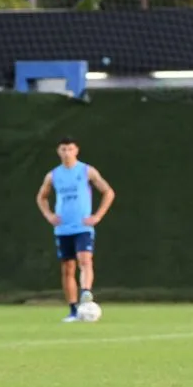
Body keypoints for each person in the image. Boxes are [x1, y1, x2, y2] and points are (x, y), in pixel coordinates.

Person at [36, 137, 115, 322]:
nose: (67, 153)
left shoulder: (87, 171)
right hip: (63, 229)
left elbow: (108, 192)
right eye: (63, 149)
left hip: (83, 227)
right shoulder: (53, 175)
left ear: (76, 150)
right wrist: (49, 216)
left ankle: (86, 293)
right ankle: (73, 310)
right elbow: (41, 197)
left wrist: (97, 216)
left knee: (85, 259)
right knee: (67, 268)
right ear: (58, 151)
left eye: (70, 149)